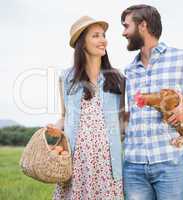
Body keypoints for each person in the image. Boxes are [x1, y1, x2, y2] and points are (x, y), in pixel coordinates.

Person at [121, 5, 183, 200]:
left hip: (170, 162)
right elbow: (130, 117)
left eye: (127, 26)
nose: (124, 33)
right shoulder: (129, 70)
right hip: (133, 166)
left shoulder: (182, 59)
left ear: (142, 25)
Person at [47, 15, 125, 200]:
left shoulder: (117, 78)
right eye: (96, 35)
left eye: (103, 35)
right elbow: (64, 116)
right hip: (77, 160)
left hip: (107, 160)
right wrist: (54, 128)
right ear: (82, 43)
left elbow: (123, 120)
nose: (103, 40)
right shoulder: (66, 78)